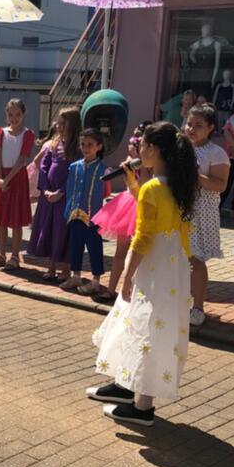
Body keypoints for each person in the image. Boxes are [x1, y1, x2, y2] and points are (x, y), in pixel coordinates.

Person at [87, 121, 199, 426]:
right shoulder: (178, 186)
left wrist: (127, 274)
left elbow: (143, 236)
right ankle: (128, 389)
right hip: (171, 265)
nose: (141, 150)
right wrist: (134, 186)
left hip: (152, 262)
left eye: (144, 145)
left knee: (142, 323)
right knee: (146, 324)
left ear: (154, 150)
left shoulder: (154, 188)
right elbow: (163, 221)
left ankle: (141, 405)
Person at [92, 121, 153, 299]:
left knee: (138, 252)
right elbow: (129, 182)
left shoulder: (151, 165)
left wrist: (141, 166)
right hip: (127, 205)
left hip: (142, 204)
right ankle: (111, 289)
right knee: (120, 251)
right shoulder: (128, 162)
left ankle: (135, 292)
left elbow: (146, 186)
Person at [184, 104, 230, 329]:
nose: (191, 128)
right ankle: (179, 302)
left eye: (198, 125)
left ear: (211, 128)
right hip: (178, 209)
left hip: (201, 212)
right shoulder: (180, 147)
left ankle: (198, 307)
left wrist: (195, 174)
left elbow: (220, 185)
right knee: (177, 257)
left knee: (196, 259)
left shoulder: (216, 152)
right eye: (190, 123)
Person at [26, 107, 81, 281]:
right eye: (58, 122)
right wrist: (46, 189)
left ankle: (64, 268)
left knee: (62, 232)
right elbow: (43, 166)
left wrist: (60, 192)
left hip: (65, 199)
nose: (58, 126)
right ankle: (50, 267)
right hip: (48, 198)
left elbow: (76, 175)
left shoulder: (77, 148)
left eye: (63, 124)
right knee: (48, 229)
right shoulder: (53, 145)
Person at [0, 98, 35, 269]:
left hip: (17, 178)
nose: (14, 118)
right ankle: (1, 254)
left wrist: (8, 179)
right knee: (1, 219)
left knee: (16, 220)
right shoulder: (0, 132)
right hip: (1, 178)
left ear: (23, 114)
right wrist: (0, 178)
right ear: (6, 114)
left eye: (18, 114)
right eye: (11, 114)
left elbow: (22, 160)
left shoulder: (28, 134)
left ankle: (14, 256)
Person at [60, 128, 110, 296]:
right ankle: (76, 276)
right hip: (75, 213)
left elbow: (107, 192)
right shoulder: (74, 167)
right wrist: (68, 210)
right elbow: (70, 189)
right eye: (83, 144)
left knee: (94, 246)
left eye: (90, 144)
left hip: (94, 215)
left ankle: (96, 280)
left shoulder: (103, 169)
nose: (86, 148)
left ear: (99, 146)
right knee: (75, 244)